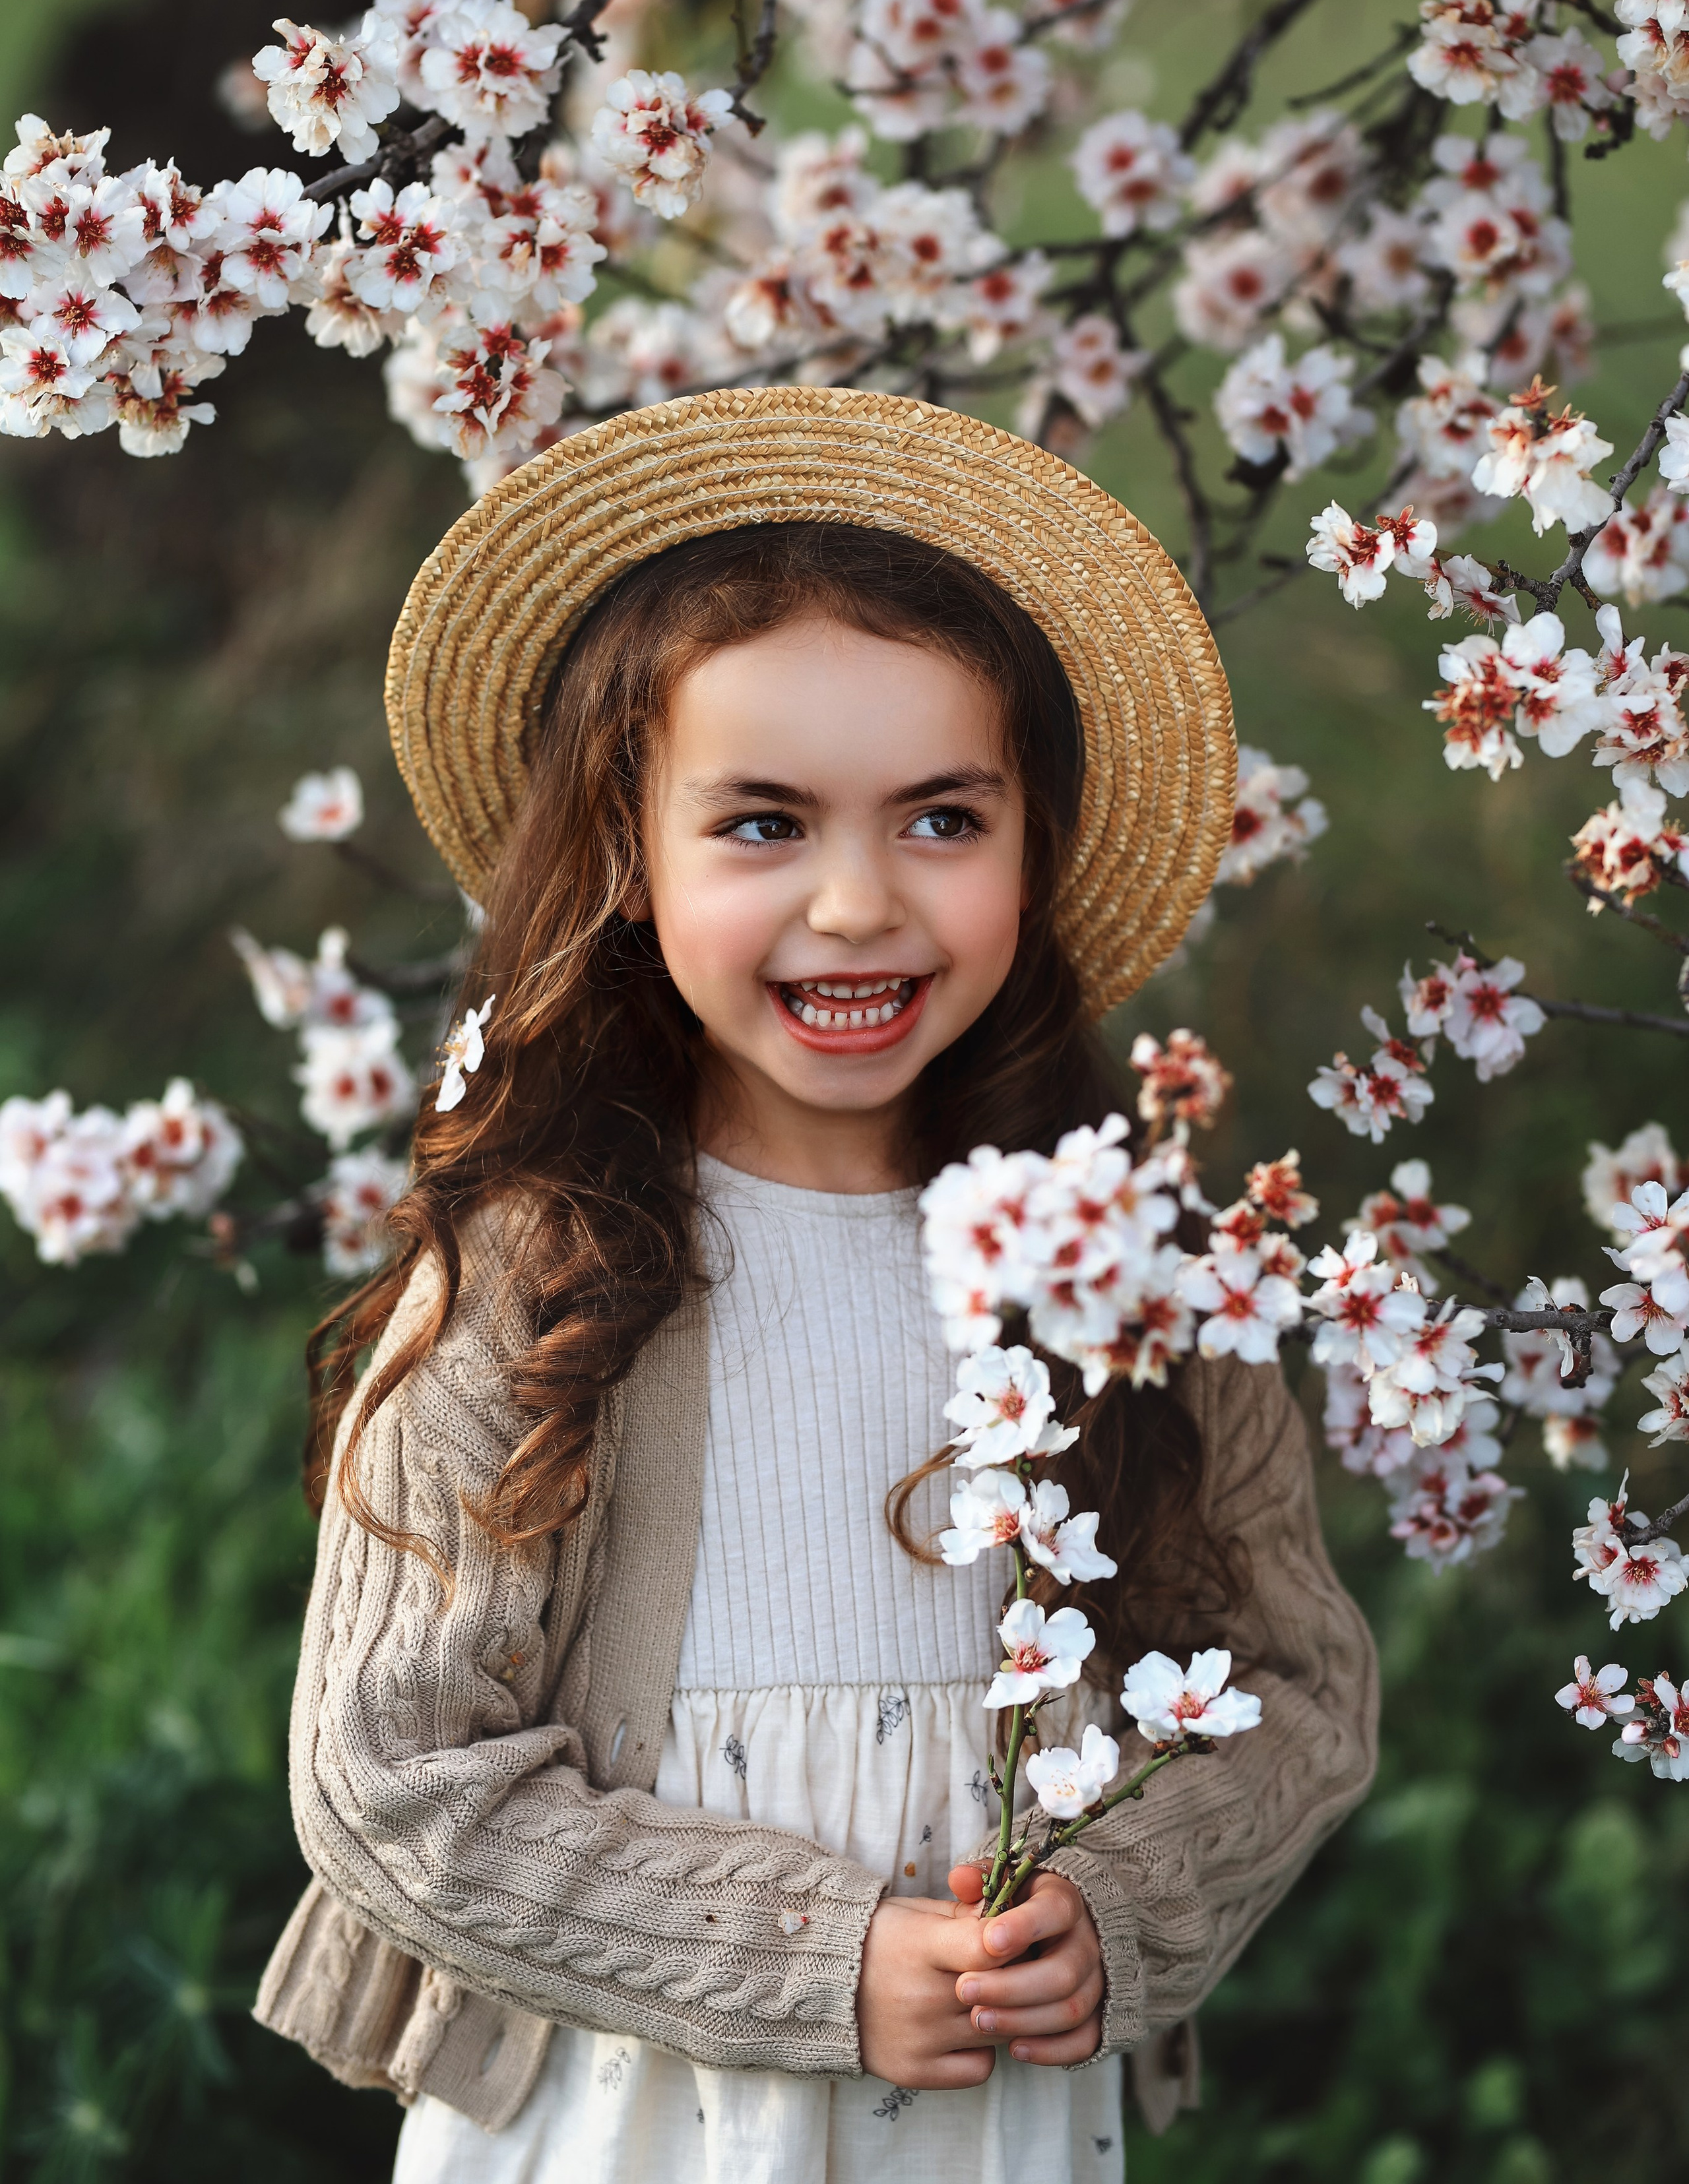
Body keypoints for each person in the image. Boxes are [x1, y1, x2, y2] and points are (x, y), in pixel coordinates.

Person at [255, 387, 1377, 2181]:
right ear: (627, 852)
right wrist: (824, 1958)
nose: (857, 904)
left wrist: (1114, 1906)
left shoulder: (1122, 1268)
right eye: (765, 825)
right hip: (627, 2108)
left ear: (1036, 845)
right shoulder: (542, 1265)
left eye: (940, 821)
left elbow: (1297, 1689)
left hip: (987, 2094)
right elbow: (391, 1775)